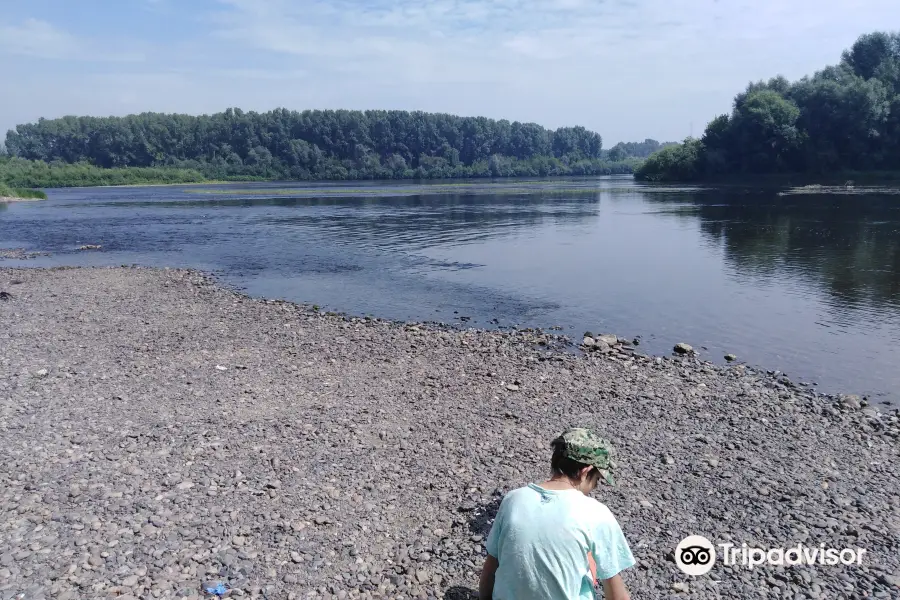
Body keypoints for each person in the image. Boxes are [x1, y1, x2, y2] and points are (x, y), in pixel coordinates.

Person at [478, 428, 634, 600]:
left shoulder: (513, 499)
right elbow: (616, 592)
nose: (594, 487)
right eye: (596, 480)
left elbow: (490, 569)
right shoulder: (596, 513)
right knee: (589, 561)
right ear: (585, 471)